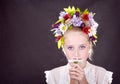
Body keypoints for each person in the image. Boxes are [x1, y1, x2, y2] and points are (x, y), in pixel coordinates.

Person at [44, 6, 113, 84]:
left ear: (90, 46)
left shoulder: (102, 75)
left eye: (82, 47)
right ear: (64, 48)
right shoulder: (54, 76)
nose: (76, 54)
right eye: (70, 48)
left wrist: (83, 81)